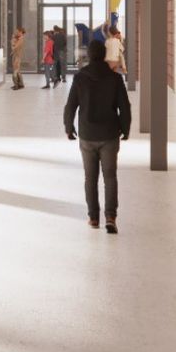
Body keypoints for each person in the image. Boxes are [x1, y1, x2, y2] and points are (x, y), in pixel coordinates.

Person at [64, 39, 132, 233]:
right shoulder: (115, 78)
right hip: (109, 134)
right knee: (110, 177)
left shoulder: (80, 78)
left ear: (89, 55)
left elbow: (71, 105)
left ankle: (93, 218)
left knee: (90, 178)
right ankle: (110, 217)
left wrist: (69, 127)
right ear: (104, 55)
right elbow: (124, 107)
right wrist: (125, 129)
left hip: (87, 134)